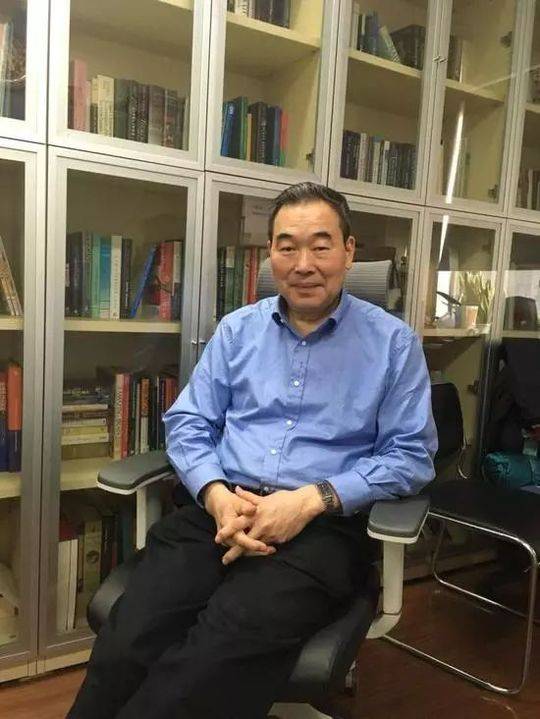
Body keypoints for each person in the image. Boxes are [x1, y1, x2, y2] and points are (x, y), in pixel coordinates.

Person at [67, 182, 437, 719]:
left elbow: (411, 455)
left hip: (319, 530)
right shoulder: (237, 331)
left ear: (349, 251)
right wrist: (216, 495)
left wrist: (310, 500)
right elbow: (189, 422)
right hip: (219, 514)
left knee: (211, 657)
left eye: (321, 245)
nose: (304, 264)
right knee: (129, 637)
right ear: (270, 254)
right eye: (288, 247)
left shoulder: (393, 344)